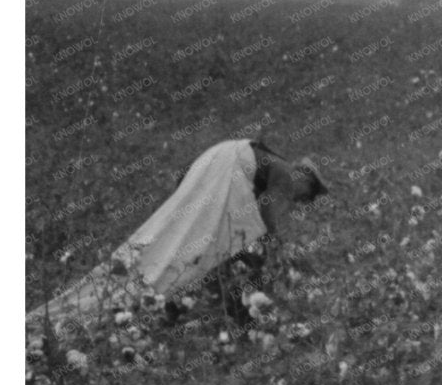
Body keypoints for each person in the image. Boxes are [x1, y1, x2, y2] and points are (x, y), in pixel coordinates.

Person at [28, 140, 328, 340]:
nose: (302, 202)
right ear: (306, 178)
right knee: (233, 250)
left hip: (214, 161)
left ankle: (179, 308)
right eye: (307, 196)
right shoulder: (286, 173)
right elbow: (269, 217)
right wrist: (280, 249)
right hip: (229, 167)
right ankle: (232, 318)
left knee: (187, 242)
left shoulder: (265, 161)